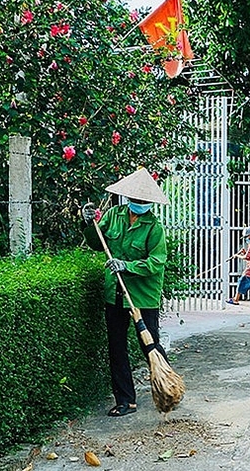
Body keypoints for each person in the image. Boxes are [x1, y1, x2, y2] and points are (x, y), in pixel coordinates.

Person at [81, 168, 169, 417]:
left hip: (143, 295)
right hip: (115, 293)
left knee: (149, 345)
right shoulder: (113, 216)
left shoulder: (154, 228)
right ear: (128, 197)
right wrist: (89, 223)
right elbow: (98, 243)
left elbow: (156, 262)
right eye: (136, 199)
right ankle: (125, 401)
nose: (139, 204)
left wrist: (127, 265)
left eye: (144, 201)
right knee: (116, 347)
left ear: (150, 203)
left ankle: (168, 388)